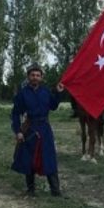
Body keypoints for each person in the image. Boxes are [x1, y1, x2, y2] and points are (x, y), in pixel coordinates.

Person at [11, 64, 64, 197]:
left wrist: (58, 93)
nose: (35, 77)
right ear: (28, 77)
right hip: (30, 129)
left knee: (49, 157)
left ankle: (55, 191)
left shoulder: (46, 91)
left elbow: (53, 106)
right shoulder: (22, 94)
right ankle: (31, 190)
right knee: (29, 159)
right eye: (32, 75)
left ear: (41, 77)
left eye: (38, 75)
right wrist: (18, 131)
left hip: (45, 128)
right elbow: (15, 114)